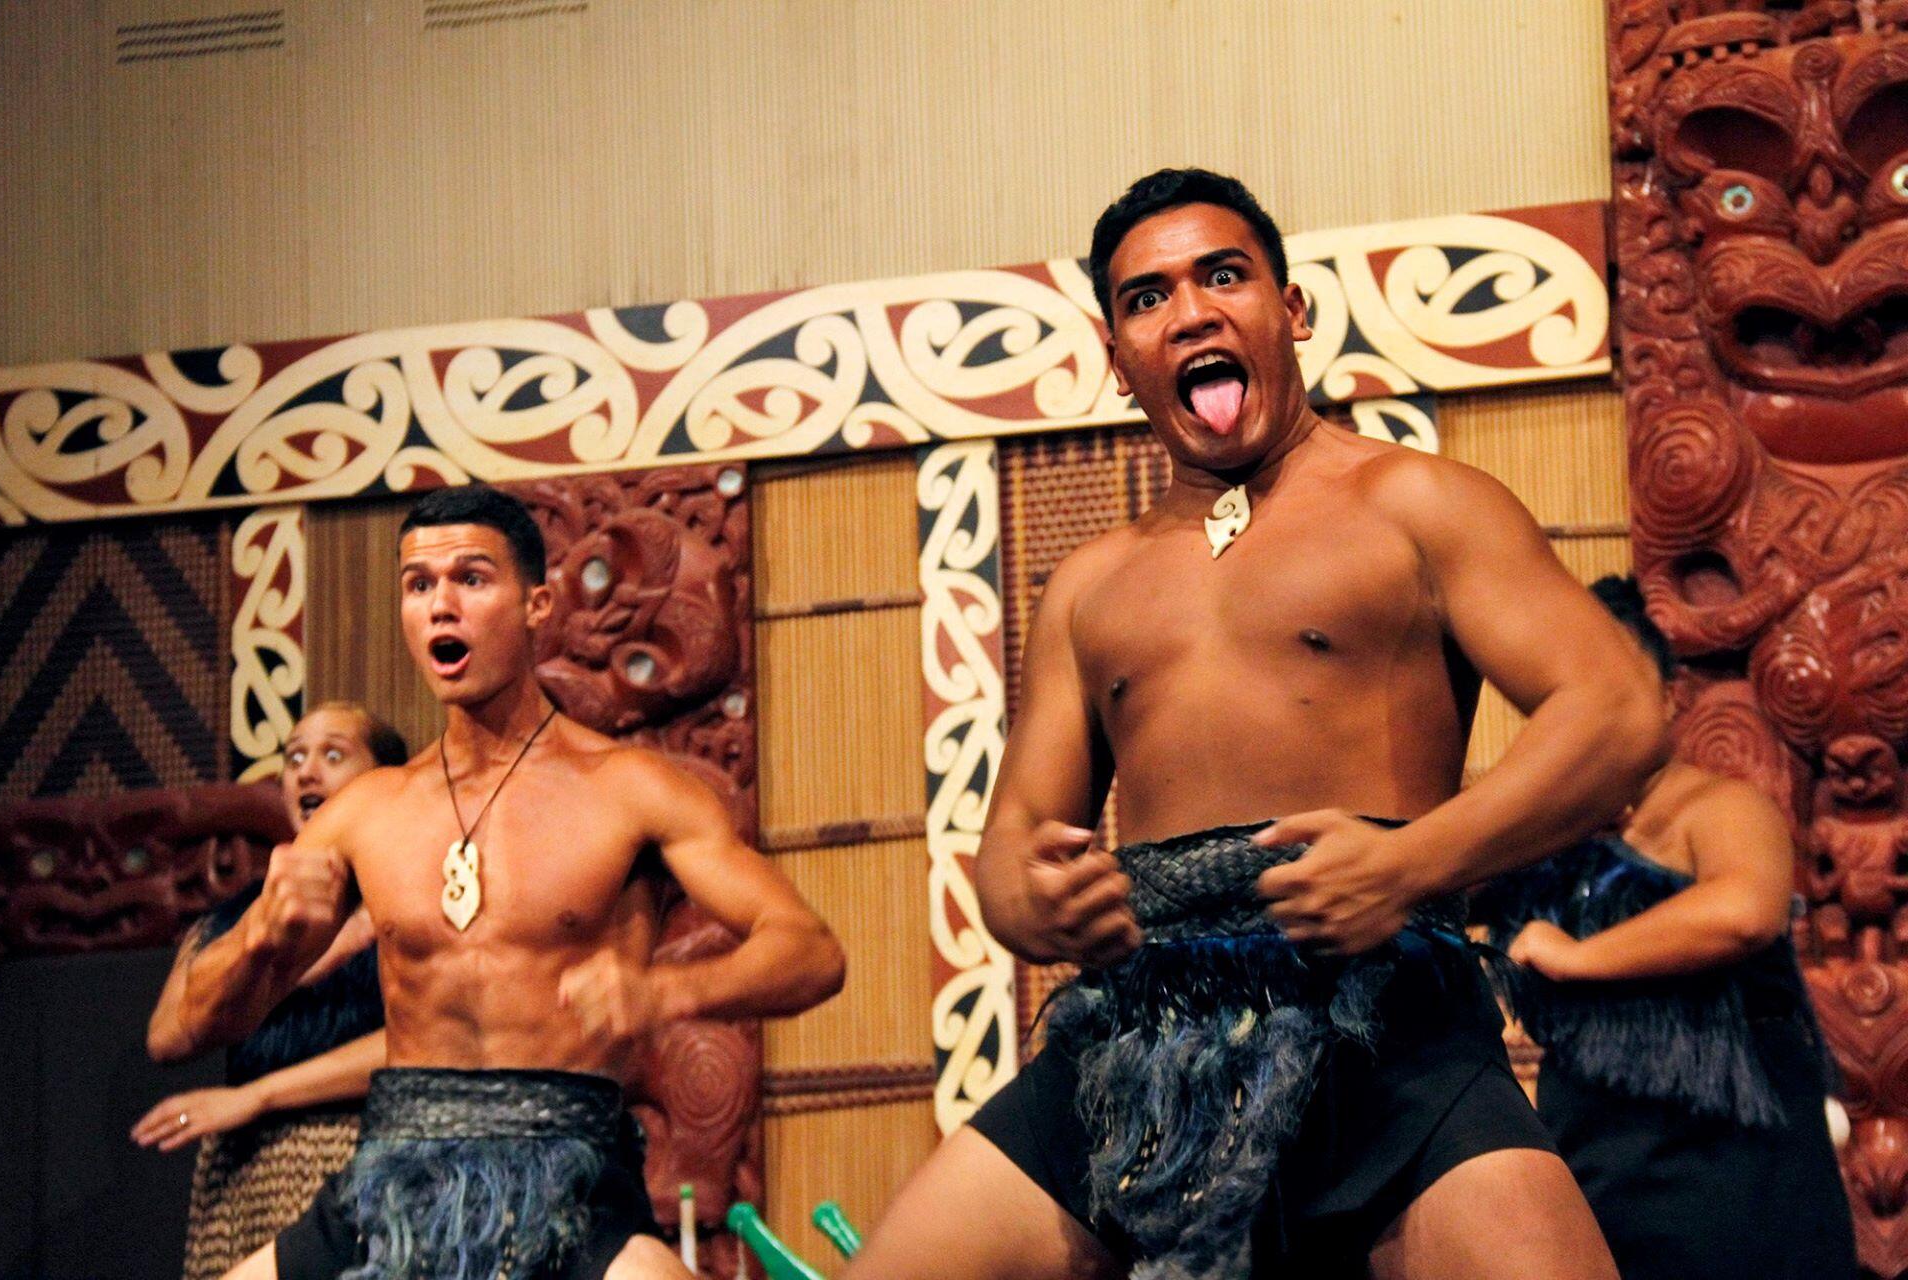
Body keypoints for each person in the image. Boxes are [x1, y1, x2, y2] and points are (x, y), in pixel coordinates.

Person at [849, 168, 1665, 1280]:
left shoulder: (1416, 502)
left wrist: (1408, 861)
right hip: (1139, 1027)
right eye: (1147, 298)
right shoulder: (1092, 583)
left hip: (1386, 1020)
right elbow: (1007, 847)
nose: (1189, 311)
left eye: (1222, 275)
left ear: (1290, 311)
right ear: (1119, 357)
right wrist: (1031, 899)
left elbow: (1617, 710)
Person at [173, 484, 846, 1280]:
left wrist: (665, 994)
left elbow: (811, 951)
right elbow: (185, 1029)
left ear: (537, 604)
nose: (441, 607)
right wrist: (260, 938)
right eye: (419, 586)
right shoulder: (367, 812)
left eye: (471, 579)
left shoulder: (630, 789)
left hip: (572, 1180)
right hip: (390, 1181)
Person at [1477, 576, 1857, 1280]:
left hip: (1729, 1150)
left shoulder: (1716, 806)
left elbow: (1743, 911)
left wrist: (1579, 956)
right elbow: (1422, 882)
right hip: (1593, 1150)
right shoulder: (1542, 829)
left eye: (1618, 684)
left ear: (1667, 698)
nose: (1597, 709)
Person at [135, 702, 408, 1280]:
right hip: (245, 1172)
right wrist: (267, 939)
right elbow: (166, 1038)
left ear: (384, 780)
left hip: (360, 1151)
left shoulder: (410, 901)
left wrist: (257, 1095)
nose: (307, 772)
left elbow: (423, 1042)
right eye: (294, 757)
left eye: (333, 755)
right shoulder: (238, 916)